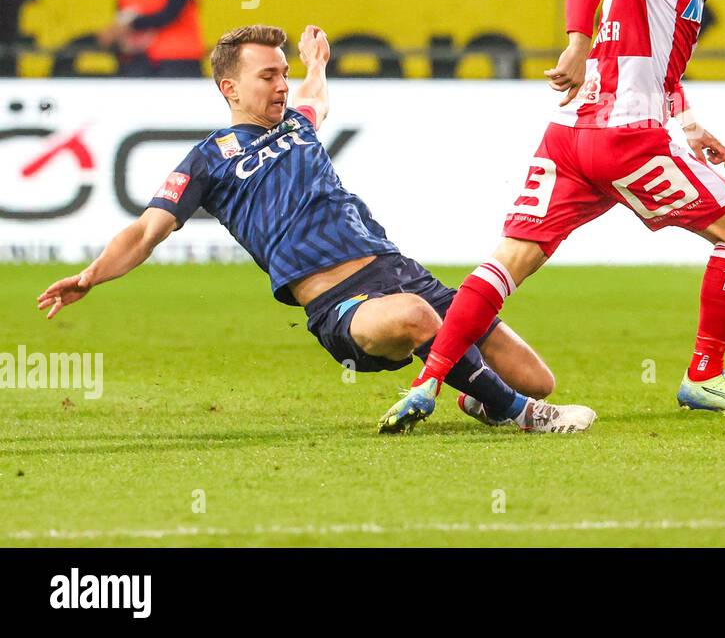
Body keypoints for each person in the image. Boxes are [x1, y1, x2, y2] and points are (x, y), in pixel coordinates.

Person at [379, 0, 725, 435]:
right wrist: (576, 43)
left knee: (508, 262)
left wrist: (689, 126)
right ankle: (705, 373)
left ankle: (428, 381)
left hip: (571, 136)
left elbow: (649, 61)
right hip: (624, 140)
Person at [38, 24, 596, 433]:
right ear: (230, 89)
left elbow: (314, 99)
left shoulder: (299, 124)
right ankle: (522, 416)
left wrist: (316, 64)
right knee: (419, 320)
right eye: (267, 76)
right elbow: (144, 233)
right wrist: (90, 276)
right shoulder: (207, 161)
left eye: (283, 74)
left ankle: (479, 396)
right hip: (339, 303)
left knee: (535, 374)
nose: (281, 85)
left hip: (401, 271)